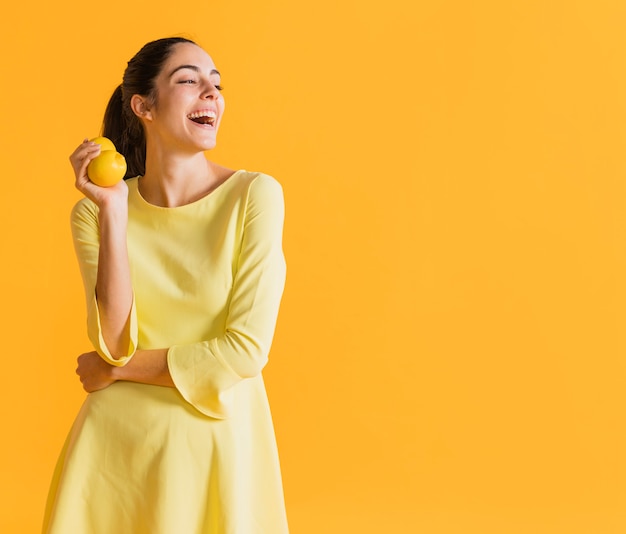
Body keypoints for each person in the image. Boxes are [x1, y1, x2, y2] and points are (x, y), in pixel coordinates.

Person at [42, 37, 289, 534]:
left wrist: (117, 372)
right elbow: (112, 341)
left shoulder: (254, 196)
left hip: (218, 446)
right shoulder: (95, 210)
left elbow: (244, 352)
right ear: (144, 106)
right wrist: (113, 212)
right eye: (190, 80)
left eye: (216, 83)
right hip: (114, 453)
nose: (211, 94)